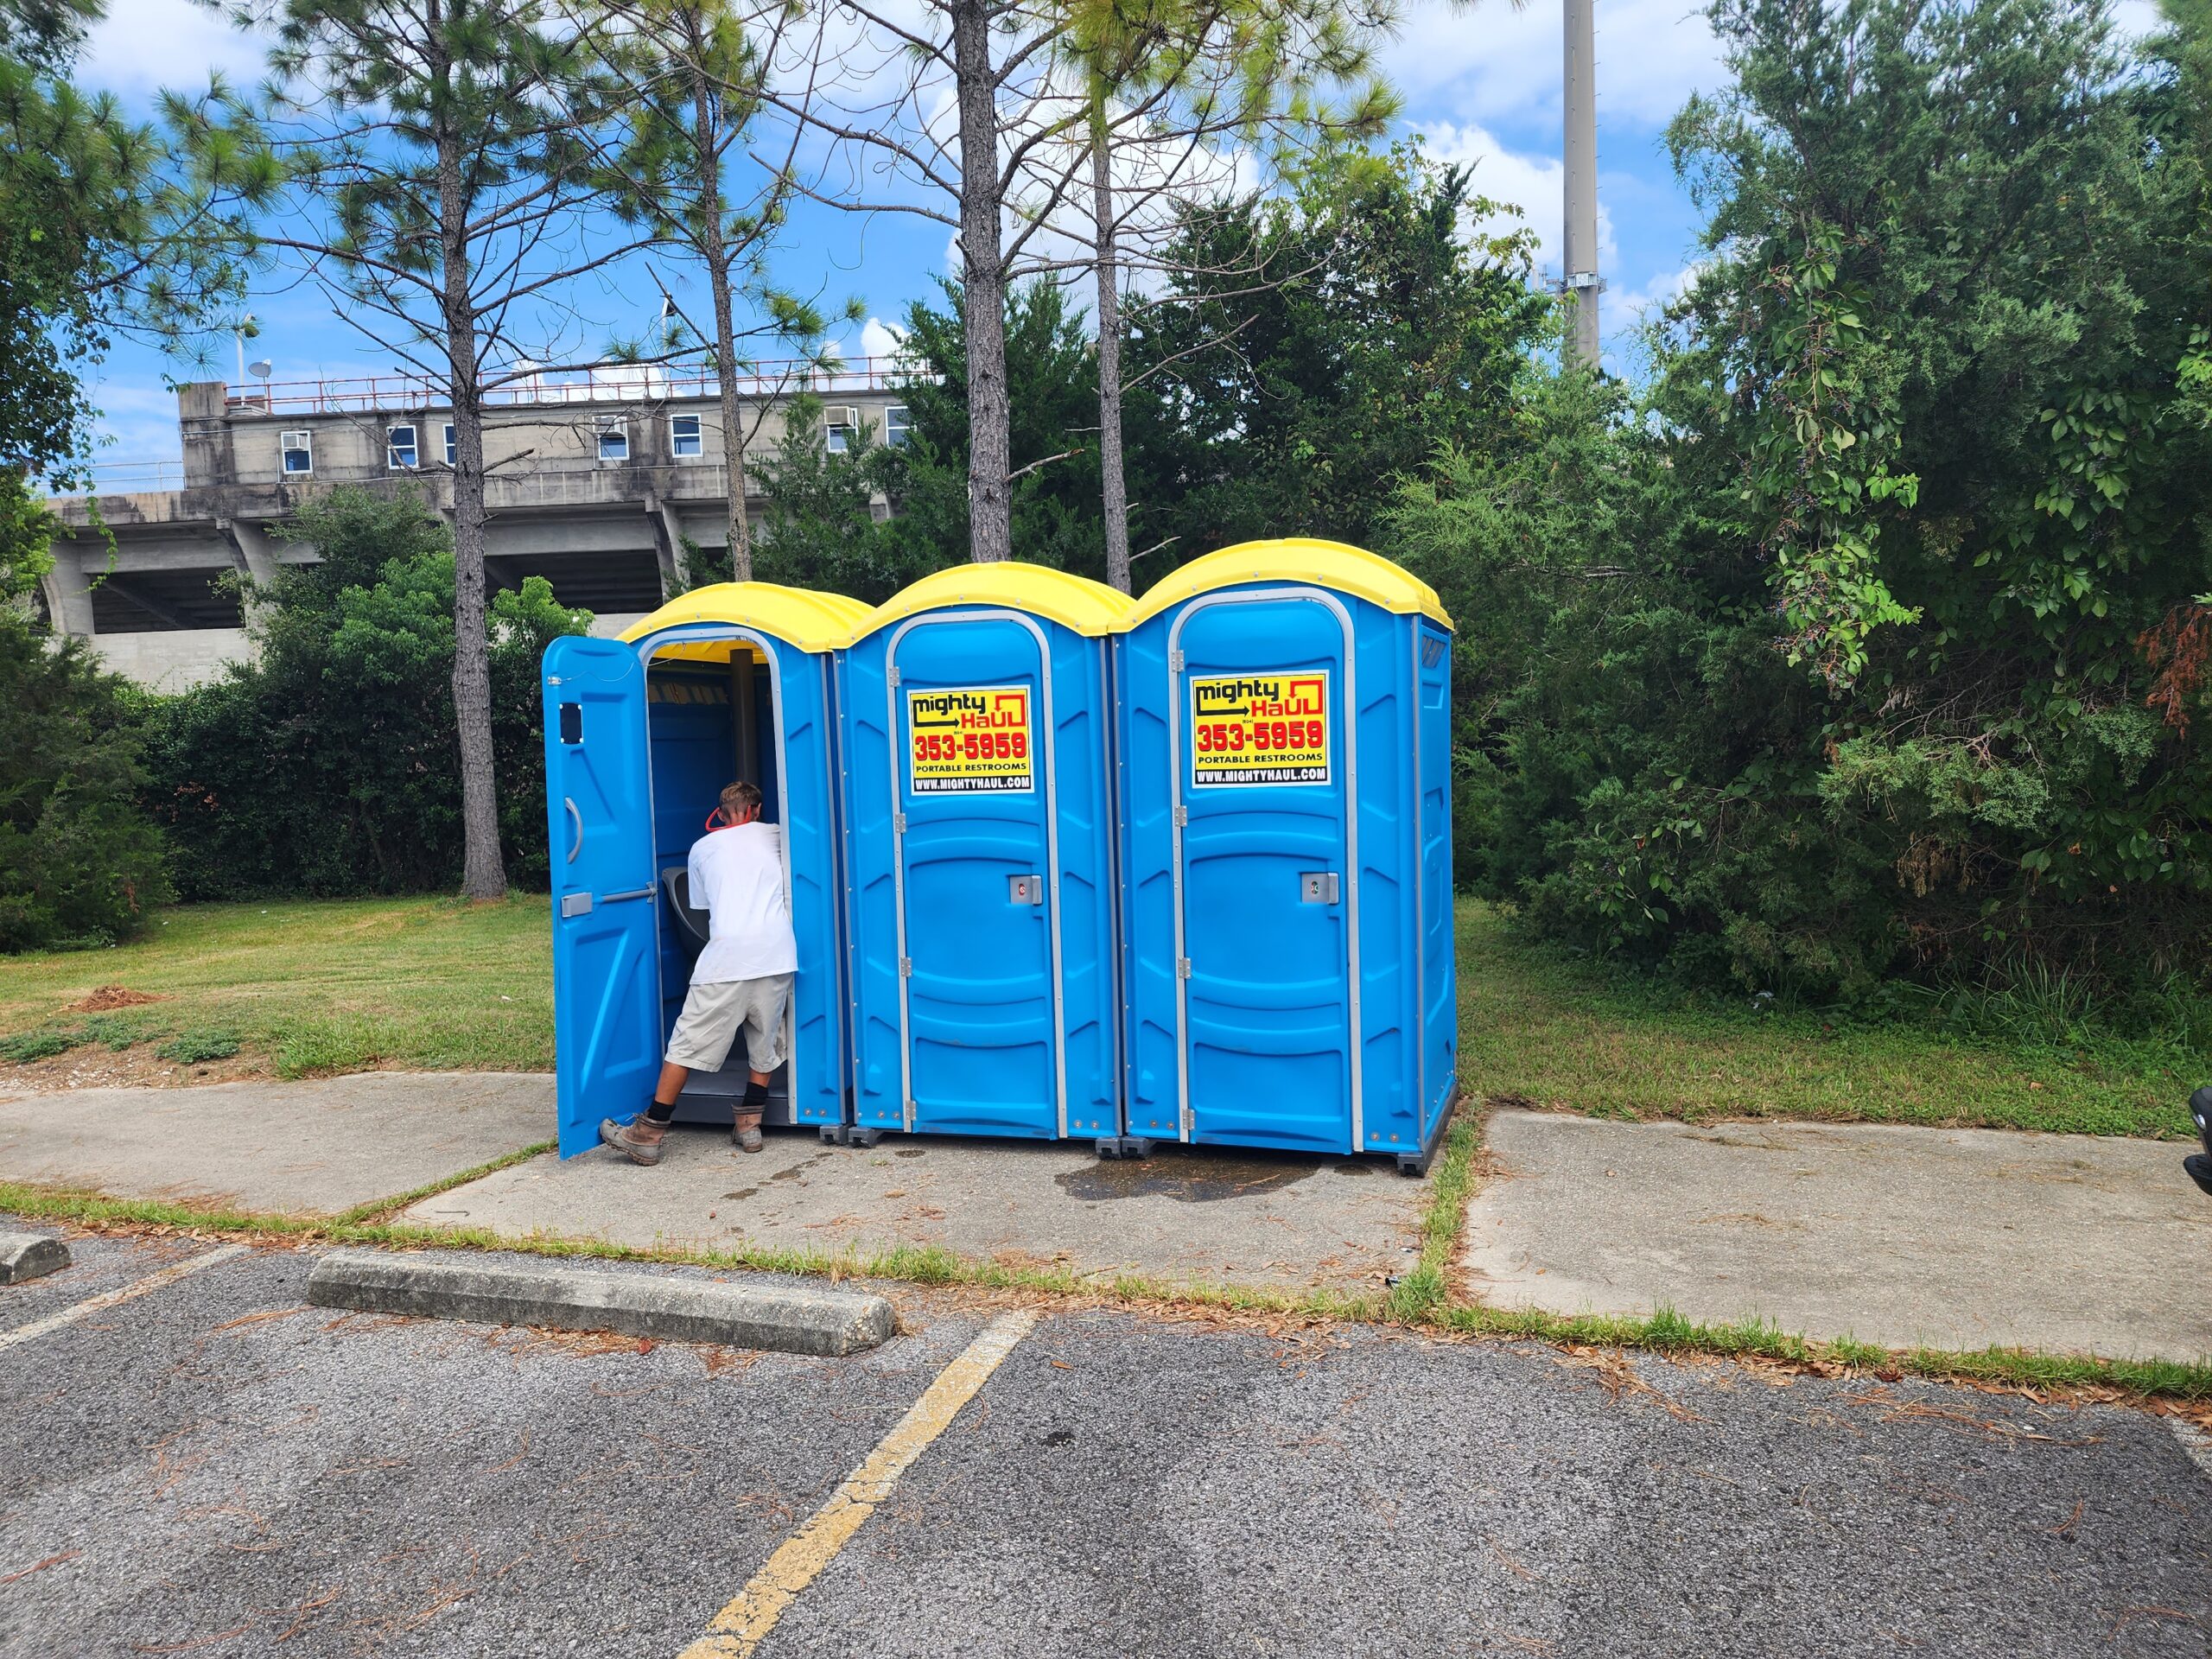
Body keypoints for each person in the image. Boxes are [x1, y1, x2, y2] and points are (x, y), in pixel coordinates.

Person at [601, 779, 795, 1166]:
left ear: (720, 815)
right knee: (765, 1042)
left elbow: (702, 908)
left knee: (685, 1045)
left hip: (726, 961)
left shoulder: (703, 848)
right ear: (757, 810)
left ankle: (649, 1132)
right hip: (778, 956)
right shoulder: (777, 836)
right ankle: (750, 1126)